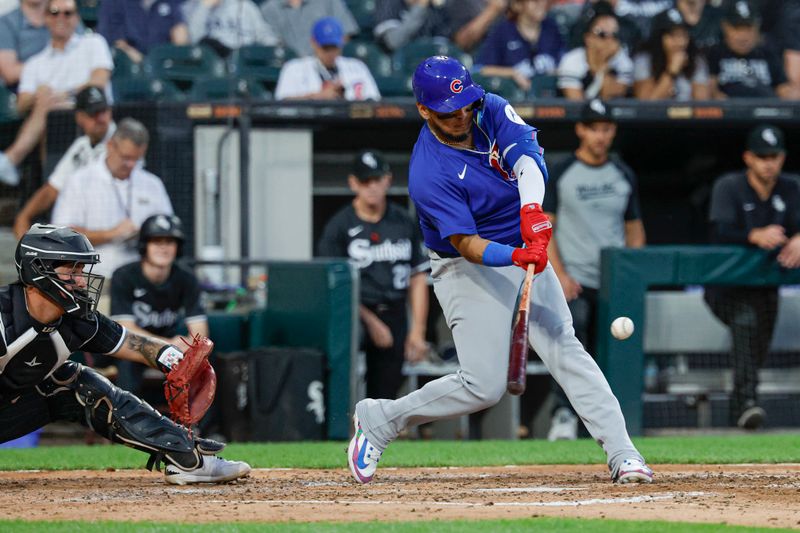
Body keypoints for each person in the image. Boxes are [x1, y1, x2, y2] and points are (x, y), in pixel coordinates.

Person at [347, 55, 653, 485]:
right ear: (424, 110)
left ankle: (624, 454)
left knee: (564, 345)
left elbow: (527, 161)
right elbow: (467, 245)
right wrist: (513, 257)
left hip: (522, 240)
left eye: (466, 106)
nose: (462, 117)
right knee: (484, 385)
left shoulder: (488, 107)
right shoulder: (427, 173)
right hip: (466, 266)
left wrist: (531, 212)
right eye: (449, 113)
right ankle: (381, 418)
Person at [0, 224, 251, 485]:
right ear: (38, 271)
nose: (81, 280)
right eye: (71, 271)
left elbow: (132, 343)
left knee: (74, 381)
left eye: (81, 271)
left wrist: (178, 362)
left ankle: (186, 458)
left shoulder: (77, 321)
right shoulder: (3, 318)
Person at [542, 98, 645, 441]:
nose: (600, 137)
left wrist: (634, 273)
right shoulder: (561, 171)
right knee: (573, 345)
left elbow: (633, 227)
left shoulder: (622, 172)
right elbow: (547, 226)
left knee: (613, 351)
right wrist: (560, 274)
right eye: (594, 129)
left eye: (606, 129)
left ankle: (610, 424)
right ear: (580, 130)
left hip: (615, 280)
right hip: (575, 279)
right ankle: (563, 415)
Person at [704, 124, 800, 430]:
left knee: (759, 341)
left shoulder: (791, 187)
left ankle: (741, 405)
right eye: (761, 156)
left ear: (782, 157)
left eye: (773, 156)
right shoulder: (729, 186)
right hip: (726, 287)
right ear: (748, 158)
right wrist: (752, 235)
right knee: (746, 323)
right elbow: (717, 231)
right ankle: (746, 402)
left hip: (765, 286)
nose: (768, 162)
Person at [317, 150, 430, 400]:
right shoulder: (339, 226)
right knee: (345, 383)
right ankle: (346, 430)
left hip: (394, 311)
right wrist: (370, 322)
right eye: (365, 181)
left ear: (387, 180)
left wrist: (417, 331)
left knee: (385, 392)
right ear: (353, 183)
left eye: (377, 180)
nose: (372, 187)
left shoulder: (403, 221)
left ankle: (374, 437)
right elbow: (334, 287)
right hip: (354, 314)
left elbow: (418, 277)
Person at [51, 118, 173, 283]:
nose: (130, 164)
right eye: (125, 157)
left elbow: (168, 230)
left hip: (141, 278)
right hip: (95, 278)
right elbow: (62, 236)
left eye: (136, 159)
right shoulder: (80, 181)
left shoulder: (153, 184)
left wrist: (146, 235)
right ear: (110, 146)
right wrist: (111, 234)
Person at [110, 214, 208, 397]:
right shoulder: (124, 276)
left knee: (203, 362)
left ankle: (197, 425)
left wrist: (184, 346)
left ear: (177, 247)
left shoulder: (187, 278)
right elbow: (125, 330)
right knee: (127, 361)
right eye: (157, 241)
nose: (163, 247)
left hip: (170, 343)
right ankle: (125, 423)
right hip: (134, 346)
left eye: (170, 242)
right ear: (144, 245)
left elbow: (200, 333)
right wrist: (165, 345)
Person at [13, 85, 114, 237]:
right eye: (93, 114)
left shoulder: (121, 142)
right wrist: (24, 216)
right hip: (78, 230)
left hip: (107, 228)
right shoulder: (82, 146)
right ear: (80, 117)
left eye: (103, 112)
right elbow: (52, 189)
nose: (100, 119)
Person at [17, 0, 113, 112]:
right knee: (45, 104)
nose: (60, 18)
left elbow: (99, 82)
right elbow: (21, 105)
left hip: (89, 112)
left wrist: (64, 95)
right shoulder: (34, 63)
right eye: (54, 13)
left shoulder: (94, 42)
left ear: (77, 18)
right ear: (46, 18)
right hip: (52, 118)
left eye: (67, 13)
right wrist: (38, 96)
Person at [706, 0, 799, 100]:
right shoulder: (716, 53)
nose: (743, 36)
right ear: (725, 27)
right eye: (737, 28)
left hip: (766, 111)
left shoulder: (768, 53)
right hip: (729, 111)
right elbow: (710, 89)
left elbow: (782, 88)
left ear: (757, 28)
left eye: (748, 28)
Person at [274, 17, 380, 101]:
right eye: (325, 48)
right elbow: (281, 103)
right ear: (313, 43)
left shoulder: (357, 68)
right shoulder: (294, 69)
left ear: (342, 42)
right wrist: (318, 97)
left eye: (334, 47)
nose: (330, 53)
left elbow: (374, 102)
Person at [473, 0, 566, 93]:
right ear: (517, 5)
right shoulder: (503, 31)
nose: (542, 4)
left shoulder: (551, 27)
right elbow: (480, 69)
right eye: (535, 1)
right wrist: (512, 73)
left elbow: (565, 63)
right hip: (515, 100)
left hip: (548, 99)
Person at [557, 5, 634, 100]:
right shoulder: (572, 60)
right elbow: (577, 106)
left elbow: (611, 101)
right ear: (588, 38)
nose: (609, 40)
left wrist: (603, 66)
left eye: (614, 35)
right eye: (602, 35)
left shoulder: (622, 60)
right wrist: (600, 70)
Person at [632, 7, 710, 100]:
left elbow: (702, 104)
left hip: (687, 114)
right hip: (656, 114)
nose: (681, 42)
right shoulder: (645, 60)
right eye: (673, 36)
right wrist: (671, 72)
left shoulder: (695, 60)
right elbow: (646, 105)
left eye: (684, 35)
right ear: (659, 37)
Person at [373, 0, 507, 53]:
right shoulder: (389, 3)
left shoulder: (439, 8)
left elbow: (459, 44)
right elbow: (392, 42)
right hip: (404, 72)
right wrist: (420, 6)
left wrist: (491, 10)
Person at [98, 0, 188, 64]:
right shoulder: (114, 2)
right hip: (129, 65)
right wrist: (143, 61)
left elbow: (180, 34)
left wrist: (178, 52)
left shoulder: (171, 2)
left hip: (163, 65)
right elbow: (116, 42)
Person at [260, 0, 358, 58]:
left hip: (327, 64)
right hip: (288, 69)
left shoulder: (328, 1)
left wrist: (326, 55)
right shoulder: (268, 9)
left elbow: (345, 33)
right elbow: (271, 44)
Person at [182, 0, 278, 58]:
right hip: (215, 56)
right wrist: (204, 7)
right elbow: (194, 39)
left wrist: (275, 49)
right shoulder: (198, 7)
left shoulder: (246, 6)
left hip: (244, 56)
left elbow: (264, 35)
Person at [0, 0, 51, 89]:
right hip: (24, 93)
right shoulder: (6, 23)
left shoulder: (65, 14)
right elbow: (9, 73)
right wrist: (56, 65)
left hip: (68, 88)